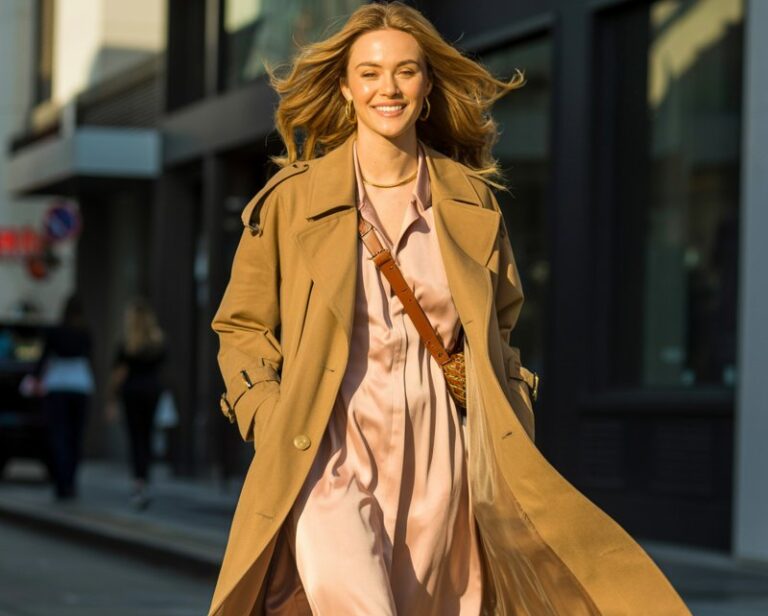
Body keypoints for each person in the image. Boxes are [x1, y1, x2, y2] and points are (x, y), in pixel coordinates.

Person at [208, 3, 690, 615]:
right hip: (328, 445)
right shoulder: (291, 201)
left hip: (442, 450)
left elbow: (502, 322)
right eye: (370, 73)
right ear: (345, 87)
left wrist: (503, 409)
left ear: (428, 84)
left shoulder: (470, 201)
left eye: (405, 72)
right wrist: (272, 419)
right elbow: (241, 325)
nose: (389, 88)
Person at [33, 295, 94, 501]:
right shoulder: (84, 333)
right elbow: (91, 359)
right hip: (79, 385)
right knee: (75, 436)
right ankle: (70, 481)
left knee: (60, 435)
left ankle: (61, 482)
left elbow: (43, 358)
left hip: (59, 385)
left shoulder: (56, 332)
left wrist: (35, 378)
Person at [107, 298, 166, 510]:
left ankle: (138, 483)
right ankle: (145, 480)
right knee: (147, 436)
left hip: (132, 392)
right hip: (151, 391)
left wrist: (112, 399)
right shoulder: (157, 341)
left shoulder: (127, 342)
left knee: (135, 437)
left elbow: (118, 373)